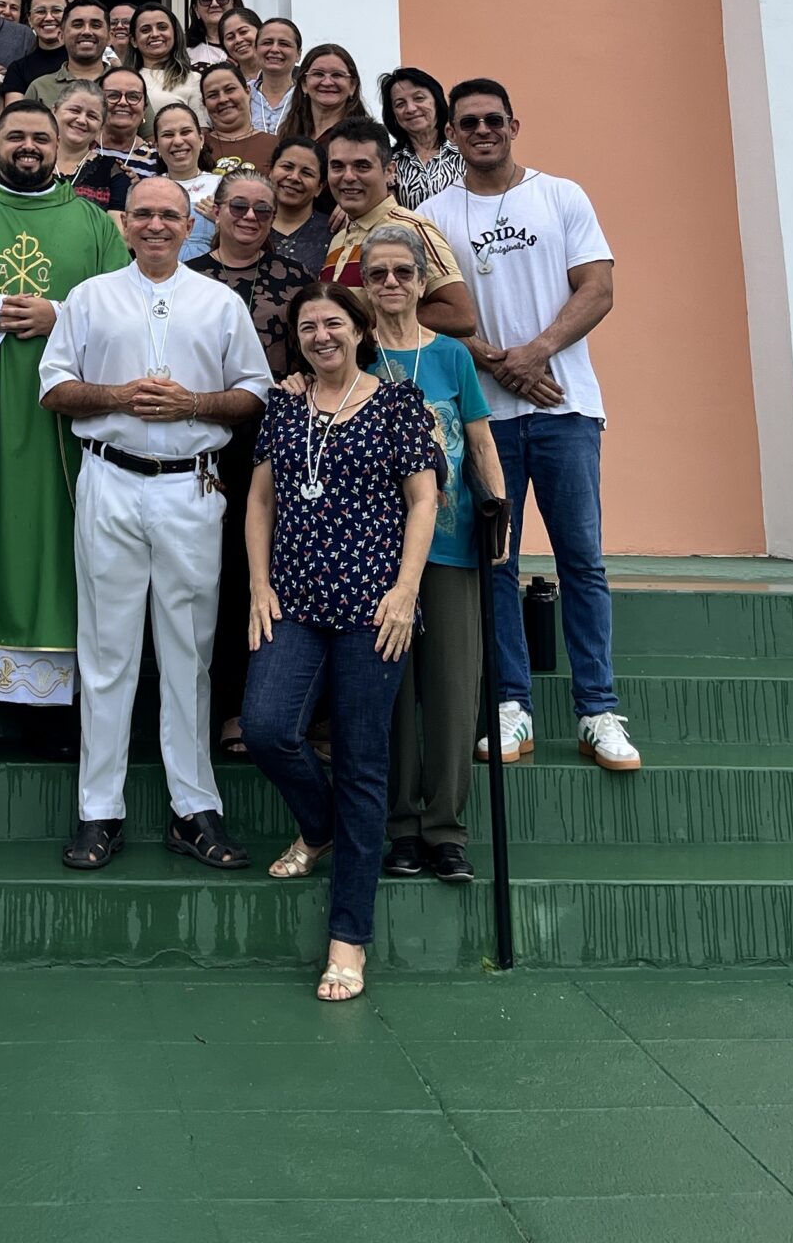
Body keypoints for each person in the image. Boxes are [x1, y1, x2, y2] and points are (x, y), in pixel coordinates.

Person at [40, 174, 270, 871]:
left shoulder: (220, 301)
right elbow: (54, 386)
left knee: (187, 652)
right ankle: (98, 811)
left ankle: (193, 808)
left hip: (190, 485)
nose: (156, 226)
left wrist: (193, 404)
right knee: (106, 650)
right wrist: (118, 396)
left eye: (170, 215)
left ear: (190, 224)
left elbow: (253, 393)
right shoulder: (90, 296)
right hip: (109, 477)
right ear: (126, 223)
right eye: (143, 214)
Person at [427, 80, 638, 773]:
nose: (482, 130)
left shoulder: (562, 196)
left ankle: (597, 710)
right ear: (451, 135)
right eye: (467, 123)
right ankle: (510, 703)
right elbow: (423, 310)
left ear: (514, 124)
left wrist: (535, 353)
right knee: (497, 562)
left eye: (493, 119)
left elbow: (598, 288)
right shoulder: (435, 214)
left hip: (565, 410)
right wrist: (493, 358)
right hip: (484, 420)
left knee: (581, 560)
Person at [243, 282, 440, 1004]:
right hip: (292, 602)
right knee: (266, 727)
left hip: (373, 607)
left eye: (333, 323)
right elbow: (260, 498)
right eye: (307, 327)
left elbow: (424, 499)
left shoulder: (397, 404)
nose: (321, 335)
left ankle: (348, 939)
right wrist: (259, 586)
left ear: (360, 330)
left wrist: (406, 590)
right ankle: (319, 826)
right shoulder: (285, 405)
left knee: (362, 762)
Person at [0, 101, 130, 744]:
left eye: (41, 136)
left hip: (63, 423)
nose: (29, 146)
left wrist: (58, 315)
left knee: (59, 546)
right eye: (16, 136)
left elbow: (124, 306)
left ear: (60, 143)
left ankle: (53, 710)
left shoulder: (91, 222)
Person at [361, 225, 506, 886]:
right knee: (391, 694)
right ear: (365, 286)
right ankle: (400, 828)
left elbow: (479, 442)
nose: (391, 283)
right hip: (374, 552)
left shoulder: (451, 356)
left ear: (423, 282)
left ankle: (445, 830)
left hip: (450, 545)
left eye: (403, 272)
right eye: (378, 274)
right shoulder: (357, 355)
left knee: (451, 689)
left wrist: (499, 513)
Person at [192, 171, 311, 759]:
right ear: (215, 210)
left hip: (267, 445)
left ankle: (243, 707)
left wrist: (302, 380)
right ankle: (190, 707)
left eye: (262, 210)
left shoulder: (295, 281)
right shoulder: (188, 277)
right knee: (197, 573)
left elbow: (319, 348)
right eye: (238, 205)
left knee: (249, 572)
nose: (249, 217)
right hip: (193, 441)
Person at [321, 118, 476, 339]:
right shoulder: (338, 237)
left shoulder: (412, 228)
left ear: (389, 171)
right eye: (337, 166)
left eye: (362, 166)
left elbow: (461, 316)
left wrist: (372, 323)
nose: (348, 176)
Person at [275, 43, 367, 175]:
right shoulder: (287, 133)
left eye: (337, 75)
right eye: (318, 74)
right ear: (304, 84)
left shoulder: (364, 138)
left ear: (352, 86)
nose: (327, 82)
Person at [381, 66, 464, 208]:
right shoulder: (390, 162)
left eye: (419, 98)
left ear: (437, 101)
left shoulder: (464, 153)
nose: (411, 109)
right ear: (393, 114)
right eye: (400, 104)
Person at [151, 101, 217, 259]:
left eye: (186, 132)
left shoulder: (222, 186)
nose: (178, 141)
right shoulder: (148, 189)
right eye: (168, 135)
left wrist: (221, 220)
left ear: (201, 139)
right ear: (157, 146)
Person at [26, 0, 111, 111]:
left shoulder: (126, 85)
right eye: (77, 25)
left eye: (95, 25)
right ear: (61, 36)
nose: (87, 31)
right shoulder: (39, 88)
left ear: (109, 37)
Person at [131, 1, 205, 128]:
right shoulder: (125, 79)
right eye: (145, 30)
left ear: (175, 34)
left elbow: (202, 131)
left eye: (162, 27)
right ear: (134, 41)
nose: (155, 34)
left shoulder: (193, 80)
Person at [198, 59, 276, 176]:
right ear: (204, 103)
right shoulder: (195, 146)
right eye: (212, 95)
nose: (223, 99)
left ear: (248, 91)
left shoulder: (276, 146)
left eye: (230, 90)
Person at [269, 138, 333, 273]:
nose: (294, 177)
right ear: (271, 171)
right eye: (287, 167)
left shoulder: (334, 233)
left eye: (307, 173)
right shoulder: (248, 222)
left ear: (320, 187)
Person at [1, 0, 67, 94]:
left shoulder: (85, 60)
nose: (49, 18)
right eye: (40, 11)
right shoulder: (18, 70)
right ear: (29, 20)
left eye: (56, 10)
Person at [96, 63, 156, 176]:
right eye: (113, 95)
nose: (123, 102)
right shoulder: (79, 148)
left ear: (144, 108)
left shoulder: (158, 161)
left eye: (133, 96)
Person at [53, 84, 108, 198]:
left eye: (92, 116)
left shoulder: (113, 172)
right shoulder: (31, 160)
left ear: (101, 127)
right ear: (54, 111)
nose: (82, 120)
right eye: (74, 110)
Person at [250, 18, 303, 136]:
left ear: (298, 54)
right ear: (255, 50)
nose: (274, 49)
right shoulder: (242, 93)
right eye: (267, 42)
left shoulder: (307, 97)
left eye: (284, 44)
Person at [186, 0, 244, 67]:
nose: (214, 4)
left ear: (234, 3)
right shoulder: (182, 49)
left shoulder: (251, 44)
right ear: (196, 9)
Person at [219, 5, 263, 88]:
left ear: (260, 31)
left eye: (243, 32)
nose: (238, 40)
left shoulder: (284, 72)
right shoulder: (225, 84)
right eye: (230, 37)